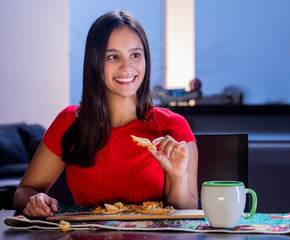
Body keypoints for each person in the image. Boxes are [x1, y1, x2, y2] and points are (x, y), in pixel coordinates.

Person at [13, 10, 198, 218]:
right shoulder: (69, 121)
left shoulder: (174, 126)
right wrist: (35, 200)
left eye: (135, 55)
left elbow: (188, 213)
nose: (127, 67)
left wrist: (177, 177)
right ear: (94, 62)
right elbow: (23, 191)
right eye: (113, 56)